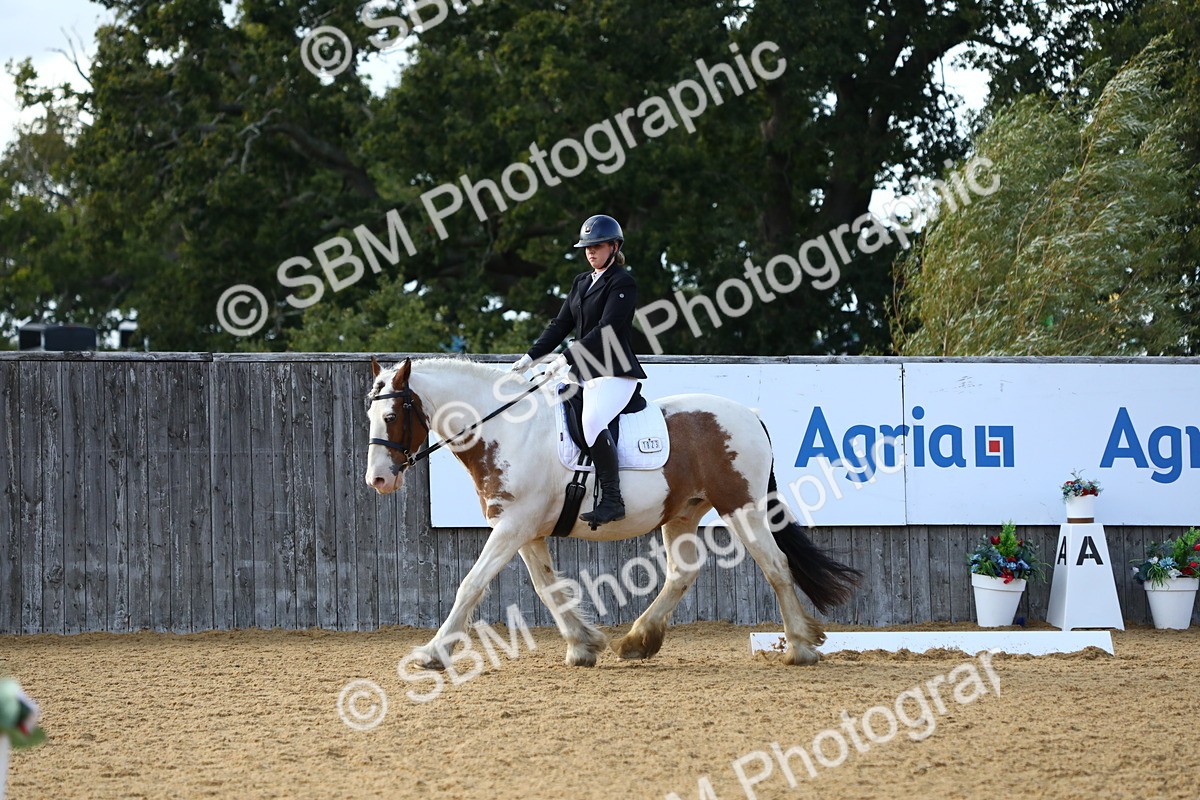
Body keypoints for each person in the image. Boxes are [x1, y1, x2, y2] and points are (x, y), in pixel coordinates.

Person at [511, 214, 647, 527]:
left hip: (614, 371)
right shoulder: (582, 282)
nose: (590, 252)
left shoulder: (622, 282)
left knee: (592, 419)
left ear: (614, 247)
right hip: (583, 371)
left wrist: (566, 358)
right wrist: (531, 357)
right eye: (587, 247)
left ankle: (613, 499)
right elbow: (561, 324)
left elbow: (608, 328)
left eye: (597, 246)